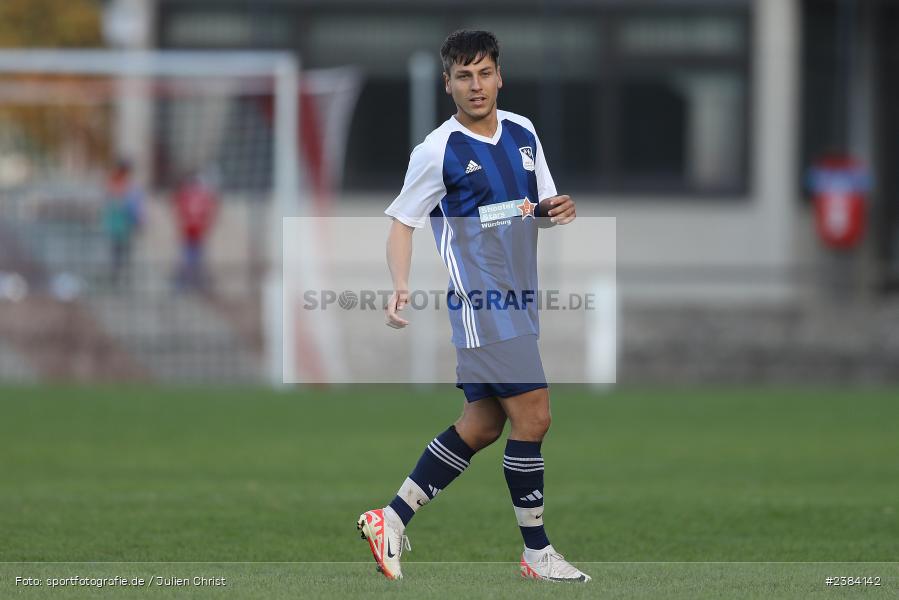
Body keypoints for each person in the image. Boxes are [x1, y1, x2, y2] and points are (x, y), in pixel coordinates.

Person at [357, 30, 589, 583]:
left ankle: (388, 518)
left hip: (519, 297)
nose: (476, 85)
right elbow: (402, 223)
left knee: (483, 426)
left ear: (499, 76)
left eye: (484, 73)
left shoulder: (524, 131)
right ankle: (537, 552)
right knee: (535, 415)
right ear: (448, 84)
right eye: (464, 76)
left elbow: (533, 207)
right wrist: (400, 284)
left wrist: (554, 210)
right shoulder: (436, 150)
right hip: (480, 300)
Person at [172, 170, 218, 292]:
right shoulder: (191, 196)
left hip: (195, 232)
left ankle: (192, 282)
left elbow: (208, 211)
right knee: (189, 258)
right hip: (191, 232)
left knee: (194, 258)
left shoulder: (195, 196)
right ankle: (186, 282)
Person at [102, 160, 143, 285]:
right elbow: (127, 206)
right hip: (119, 225)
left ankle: (121, 277)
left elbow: (134, 207)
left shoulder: (123, 186)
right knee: (119, 253)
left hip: (123, 225)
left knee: (122, 253)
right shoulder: (117, 186)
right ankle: (118, 278)